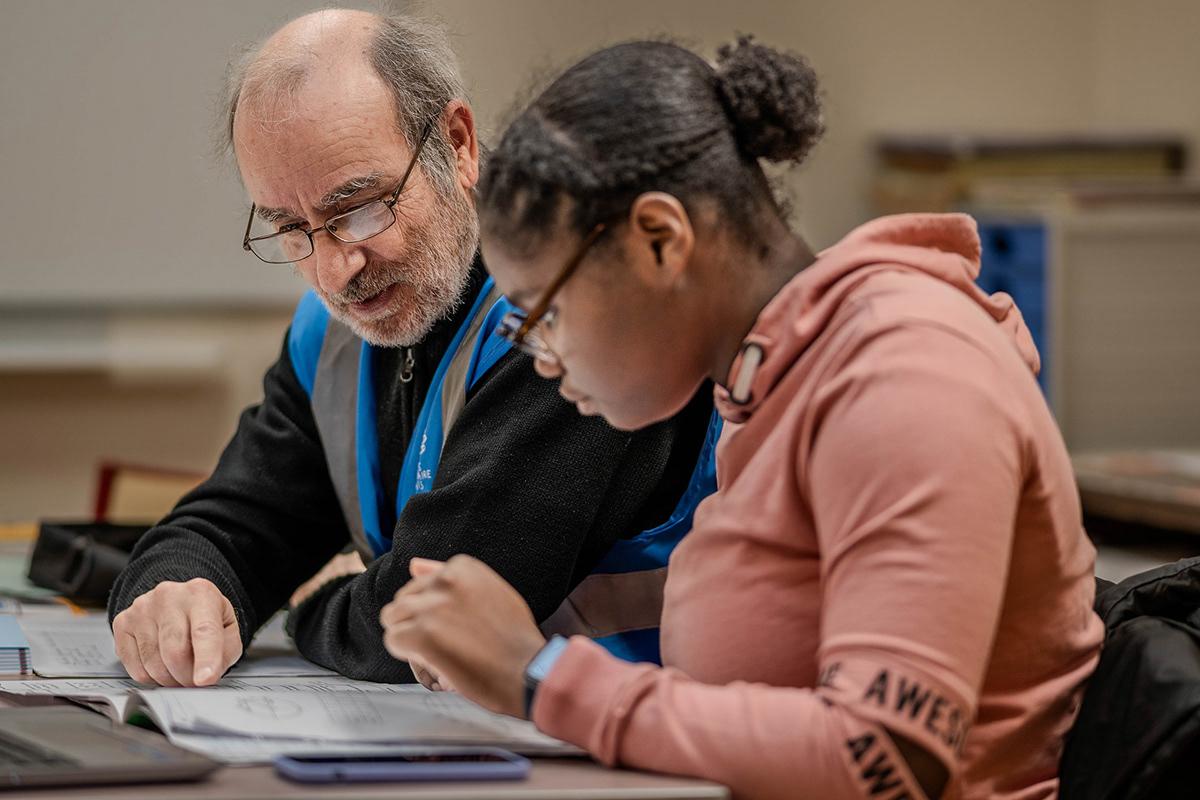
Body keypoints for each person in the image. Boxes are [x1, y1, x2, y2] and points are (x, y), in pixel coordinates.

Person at [378, 36, 1105, 800]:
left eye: (546, 315)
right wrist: (562, 614)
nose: (543, 357)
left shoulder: (905, 376)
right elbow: (804, 585)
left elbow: (885, 758)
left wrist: (539, 677)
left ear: (661, 239)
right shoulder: (778, 374)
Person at [107, 10, 717, 688]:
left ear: (457, 145)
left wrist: (303, 604)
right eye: (290, 227)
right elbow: (235, 520)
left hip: (631, 751)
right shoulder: (332, 334)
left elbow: (416, 625)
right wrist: (177, 588)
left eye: (360, 208)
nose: (336, 271)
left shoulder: (572, 319)